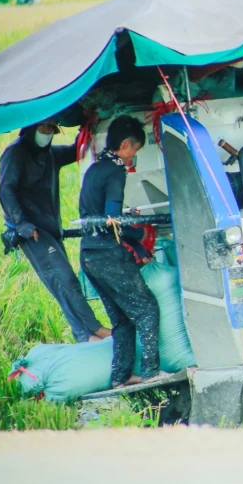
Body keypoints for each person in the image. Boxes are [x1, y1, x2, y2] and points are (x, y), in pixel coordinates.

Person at [0, 119, 111, 343]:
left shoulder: (49, 154)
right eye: (43, 127)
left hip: (49, 229)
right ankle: (94, 329)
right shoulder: (15, 153)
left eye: (51, 128)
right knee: (65, 279)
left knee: (63, 283)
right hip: (31, 231)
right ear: (30, 128)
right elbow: (6, 191)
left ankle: (84, 335)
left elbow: (74, 151)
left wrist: (85, 126)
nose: (48, 132)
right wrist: (23, 226)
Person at [78, 115, 165, 388]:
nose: (133, 157)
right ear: (125, 145)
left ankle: (121, 376)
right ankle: (151, 372)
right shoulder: (116, 170)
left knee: (122, 320)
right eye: (135, 151)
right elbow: (112, 219)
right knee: (147, 309)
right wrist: (137, 234)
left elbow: (97, 217)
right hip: (108, 255)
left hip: (88, 255)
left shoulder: (95, 168)